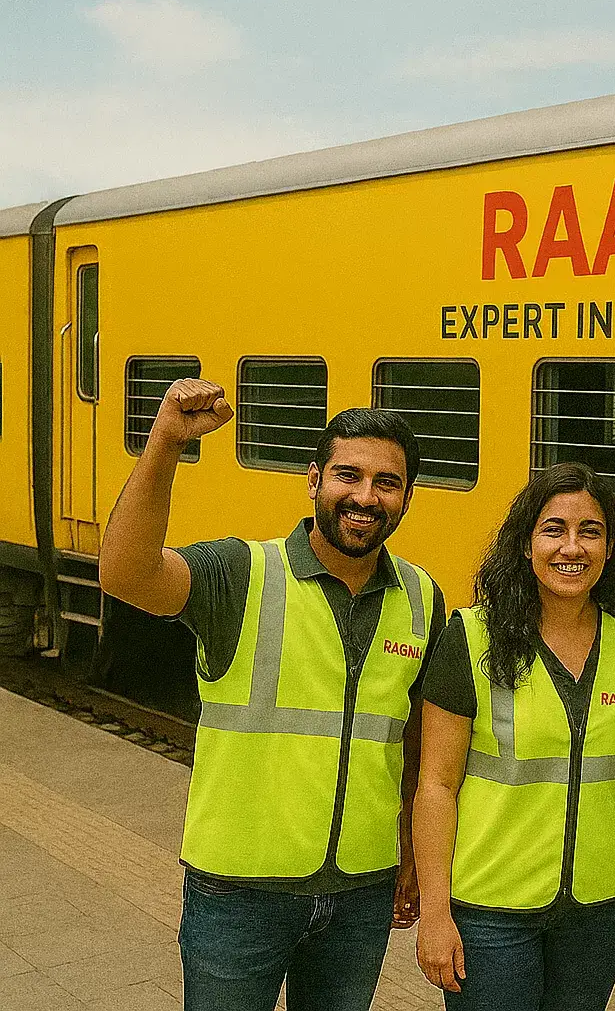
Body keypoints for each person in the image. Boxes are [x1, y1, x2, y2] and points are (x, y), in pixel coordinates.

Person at [97, 379, 445, 1011]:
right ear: (313, 480)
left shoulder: (423, 597)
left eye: (387, 483)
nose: (365, 497)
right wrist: (165, 445)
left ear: (407, 497)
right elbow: (126, 574)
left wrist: (413, 853)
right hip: (238, 893)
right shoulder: (241, 572)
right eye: (348, 475)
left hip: (360, 892)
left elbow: (413, 743)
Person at [412, 463, 615, 1010]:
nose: (572, 547)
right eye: (553, 529)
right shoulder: (472, 636)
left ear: (610, 548)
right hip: (491, 908)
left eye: (591, 531)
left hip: (599, 906)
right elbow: (436, 786)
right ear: (525, 544)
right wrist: (435, 913)